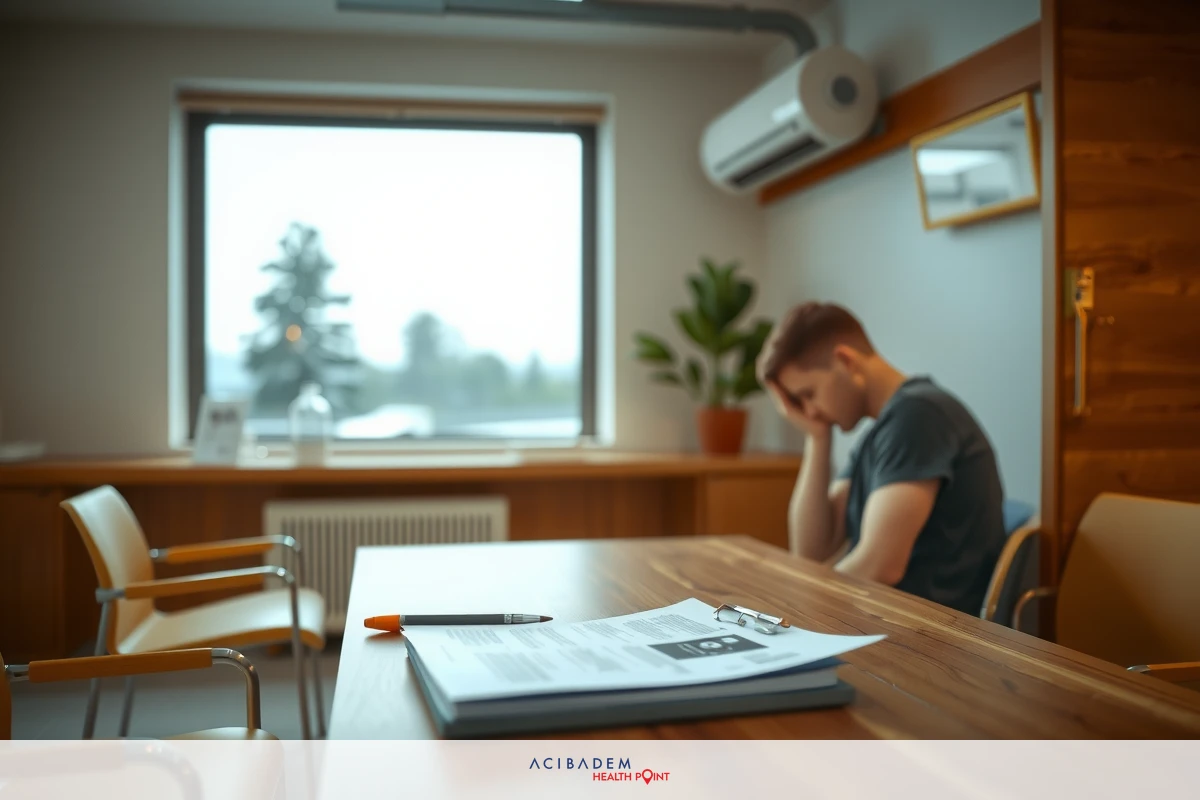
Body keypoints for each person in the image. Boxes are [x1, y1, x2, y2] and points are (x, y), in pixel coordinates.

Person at [758, 302, 1004, 615]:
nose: (809, 411)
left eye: (808, 394)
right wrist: (817, 437)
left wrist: (792, 606)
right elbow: (812, 551)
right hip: (892, 626)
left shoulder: (918, 417)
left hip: (932, 642)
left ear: (845, 362)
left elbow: (880, 566)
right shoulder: (882, 432)